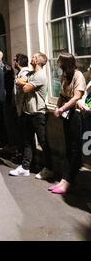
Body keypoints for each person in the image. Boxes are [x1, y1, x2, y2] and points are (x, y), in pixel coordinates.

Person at [9, 52, 53, 180]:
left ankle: (49, 169)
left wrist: (22, 82)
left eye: (34, 57)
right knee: (28, 141)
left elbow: (25, 88)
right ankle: (25, 167)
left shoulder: (40, 76)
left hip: (38, 113)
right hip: (28, 112)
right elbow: (21, 82)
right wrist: (22, 81)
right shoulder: (32, 74)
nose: (31, 58)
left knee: (43, 142)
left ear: (39, 61)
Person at [49, 53, 86, 194]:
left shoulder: (78, 75)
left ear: (66, 63)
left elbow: (77, 97)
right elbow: (61, 94)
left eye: (59, 62)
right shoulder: (65, 76)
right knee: (69, 148)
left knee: (75, 149)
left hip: (75, 114)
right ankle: (65, 180)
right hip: (66, 114)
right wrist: (57, 108)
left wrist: (62, 108)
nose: (58, 64)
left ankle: (67, 181)